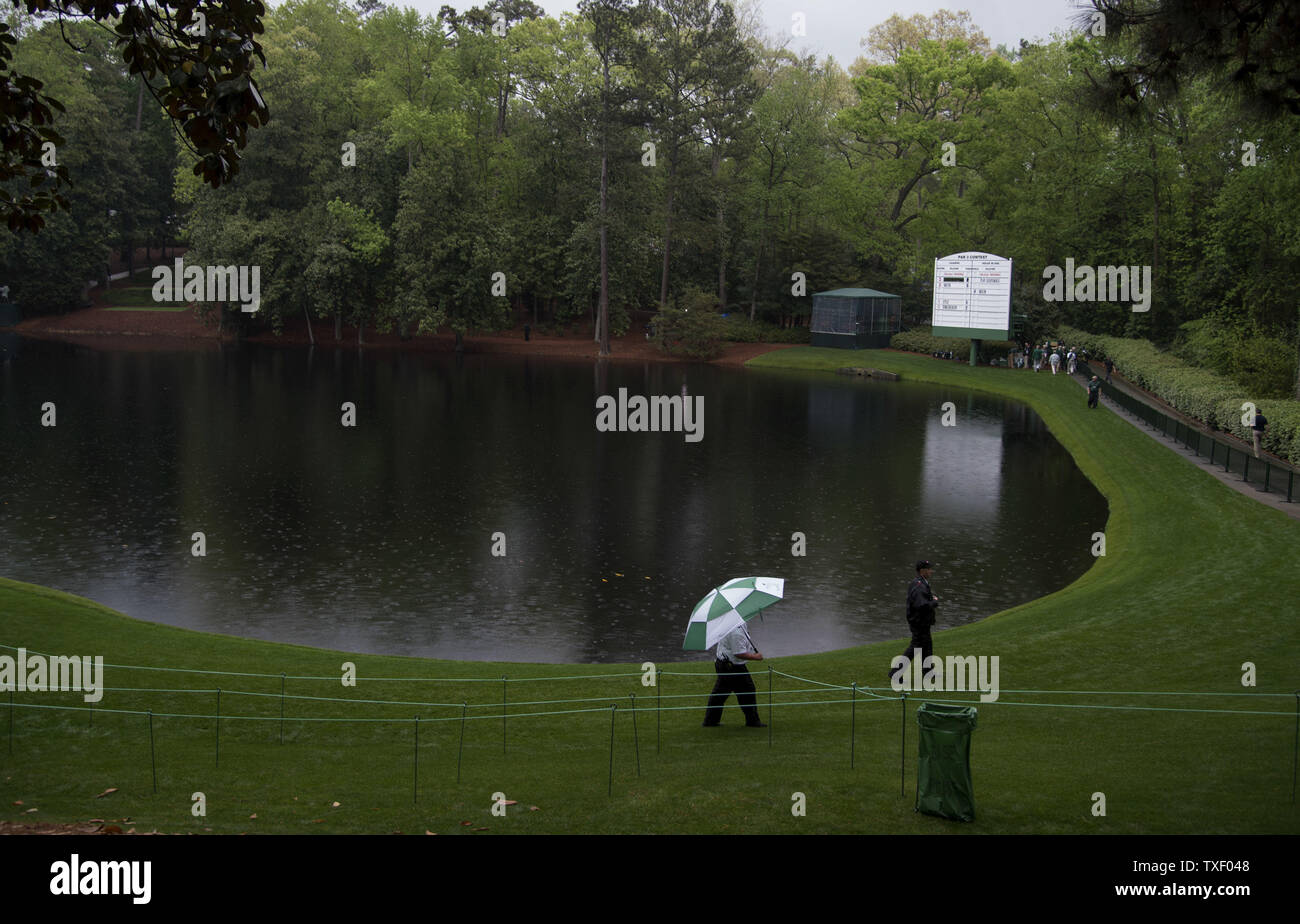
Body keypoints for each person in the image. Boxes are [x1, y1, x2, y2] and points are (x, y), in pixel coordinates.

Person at [702, 623, 766, 727]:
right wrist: (756, 657)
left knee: (720, 693)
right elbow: (739, 653)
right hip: (732, 667)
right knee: (747, 691)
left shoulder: (734, 624)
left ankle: (710, 721)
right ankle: (752, 721)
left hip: (724, 664)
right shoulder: (735, 632)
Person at [888, 560, 940, 685]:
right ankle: (896, 672)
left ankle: (928, 671)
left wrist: (930, 598)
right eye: (928, 569)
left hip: (921, 622)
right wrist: (934, 602)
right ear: (922, 571)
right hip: (919, 623)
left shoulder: (919, 583)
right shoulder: (919, 585)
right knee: (915, 648)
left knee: (927, 646)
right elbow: (921, 605)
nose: (931, 571)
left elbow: (921, 600)